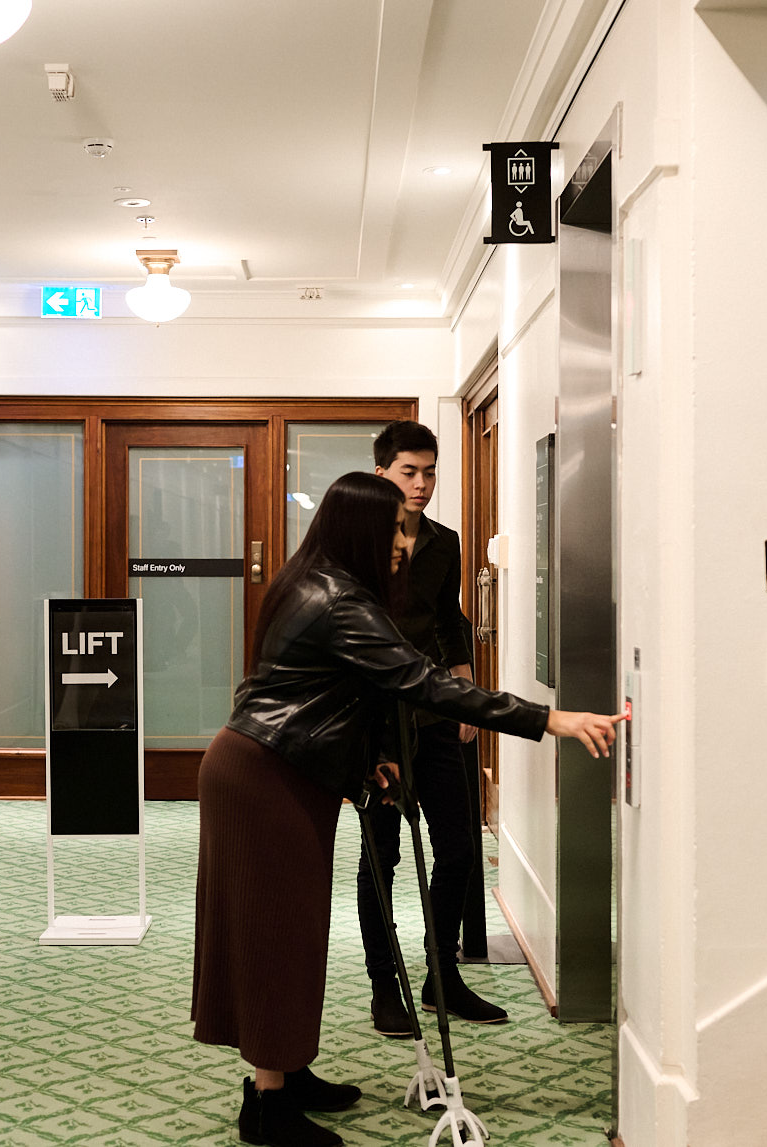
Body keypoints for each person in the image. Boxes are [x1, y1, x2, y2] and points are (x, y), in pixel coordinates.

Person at [191, 471, 620, 1147]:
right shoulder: (337, 598)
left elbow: (324, 690)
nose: (402, 539)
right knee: (273, 935)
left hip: (277, 767)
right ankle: (268, 1106)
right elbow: (422, 681)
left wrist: (367, 759)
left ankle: (286, 1072)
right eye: (392, 527)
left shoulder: (315, 580)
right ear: (360, 528)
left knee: (291, 931)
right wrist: (550, 719)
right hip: (266, 776)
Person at [356, 420, 504, 1035]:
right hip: (379, 723)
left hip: (437, 711)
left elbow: (450, 618)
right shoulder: (358, 545)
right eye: (409, 472)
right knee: (382, 855)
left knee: (461, 848)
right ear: (381, 474)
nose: (422, 484)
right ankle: (384, 987)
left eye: (430, 471)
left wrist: (467, 694)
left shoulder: (444, 542)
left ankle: (443, 975)